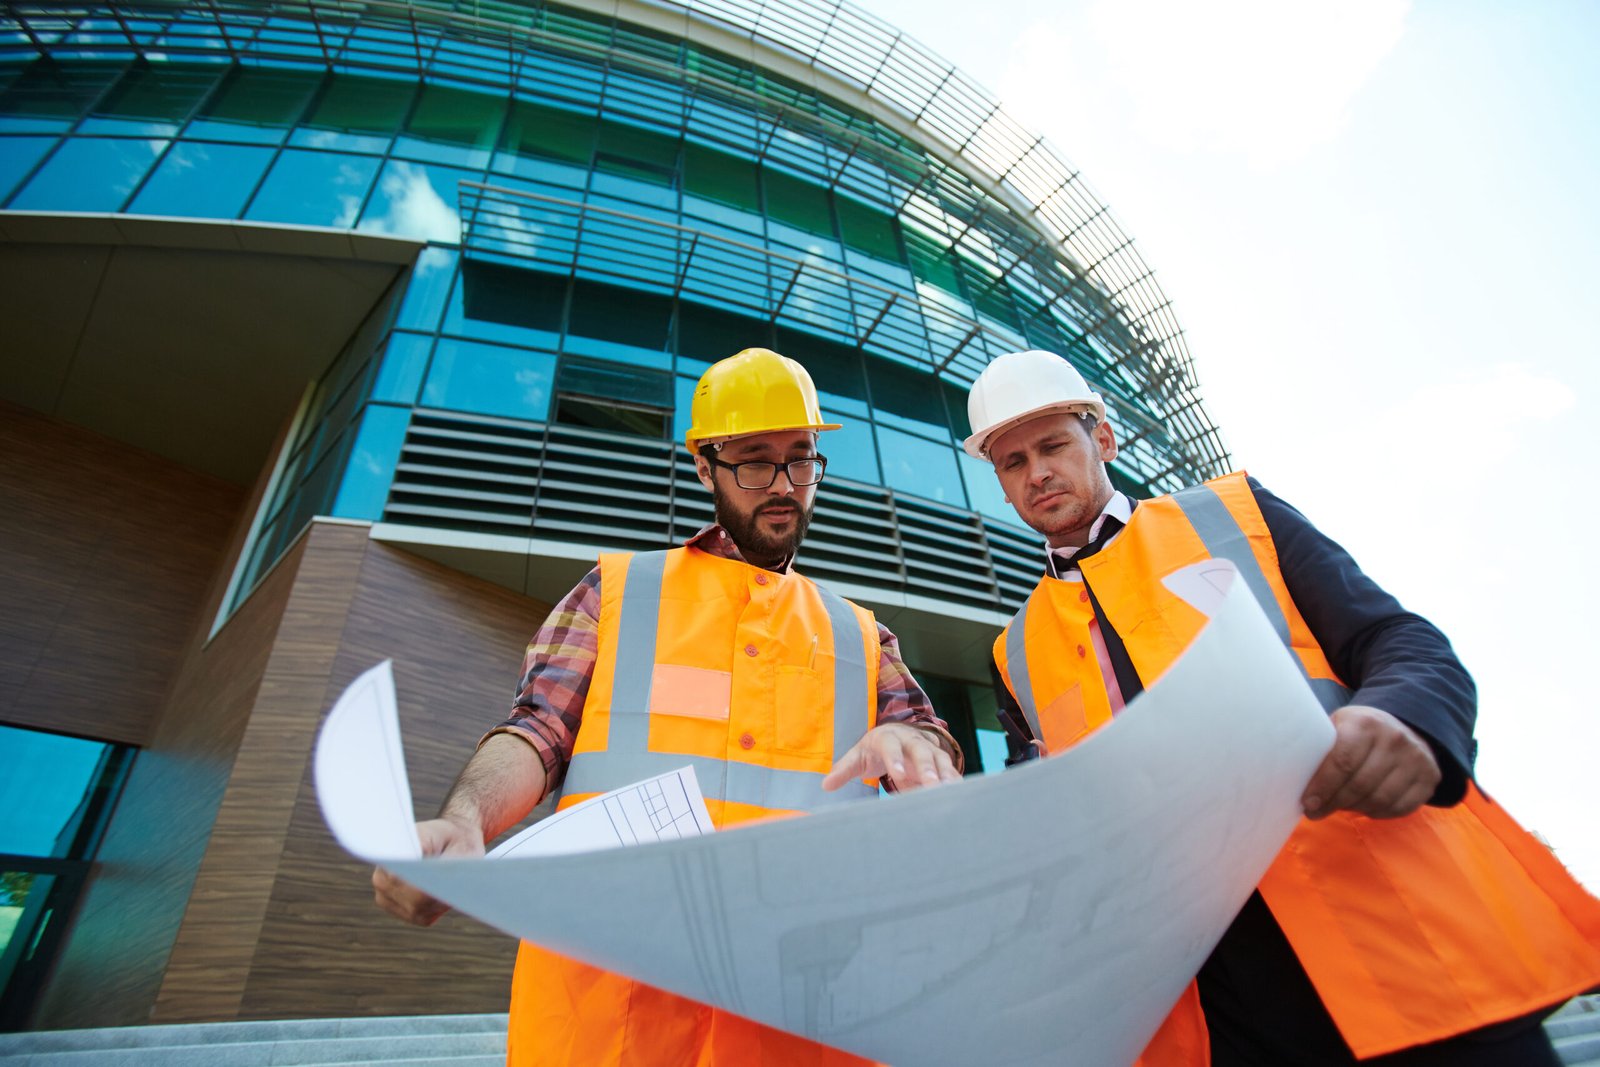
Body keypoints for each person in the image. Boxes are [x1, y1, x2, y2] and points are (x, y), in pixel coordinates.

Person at [965, 349, 1600, 1066]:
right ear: (1002, 484)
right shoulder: (1013, 652)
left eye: (1053, 446)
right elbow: (1044, 816)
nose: (1038, 473)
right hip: (1221, 1004)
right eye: (1014, 462)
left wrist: (1399, 719)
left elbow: (1401, 642)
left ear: (1103, 440)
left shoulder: (1238, 516)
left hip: (1397, 940)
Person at [373, 347, 962, 1066]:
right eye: (755, 461)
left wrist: (922, 748)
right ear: (705, 467)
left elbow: (926, 737)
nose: (784, 485)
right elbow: (538, 730)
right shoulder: (618, 591)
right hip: (609, 1022)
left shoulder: (862, 635)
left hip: (803, 1023)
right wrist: (466, 818)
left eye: (801, 459)